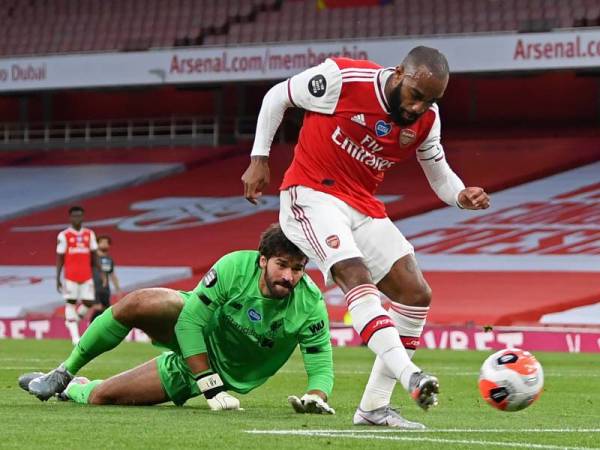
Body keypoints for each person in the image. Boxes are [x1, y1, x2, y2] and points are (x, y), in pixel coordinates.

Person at [242, 46, 490, 428]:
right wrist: (260, 158)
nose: (419, 108)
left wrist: (459, 195)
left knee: (415, 293)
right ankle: (411, 376)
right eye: (415, 95)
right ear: (399, 73)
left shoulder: (427, 120)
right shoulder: (343, 79)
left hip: (361, 205)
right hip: (310, 194)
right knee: (353, 273)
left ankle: (374, 407)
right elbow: (277, 96)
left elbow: (439, 173)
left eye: (430, 101)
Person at [20, 224, 335, 414]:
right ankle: (63, 372)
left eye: (298, 269)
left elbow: (320, 360)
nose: (289, 276)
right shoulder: (235, 267)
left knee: (102, 398)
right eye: (282, 265)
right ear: (262, 260)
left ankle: (72, 388)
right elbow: (189, 322)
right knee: (139, 302)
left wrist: (316, 396)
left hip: (208, 368)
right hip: (198, 329)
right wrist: (210, 388)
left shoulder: (309, 303)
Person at [56, 206, 102, 345]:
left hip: (86, 275)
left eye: (79, 215)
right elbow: (60, 258)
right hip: (70, 276)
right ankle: (75, 338)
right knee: (71, 302)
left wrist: (101, 272)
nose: (77, 218)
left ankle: (71, 322)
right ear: (70, 218)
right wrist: (58, 277)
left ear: (83, 217)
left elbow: (94, 255)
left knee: (89, 303)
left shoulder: (89, 234)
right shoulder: (64, 235)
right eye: (74, 216)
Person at [90, 235, 121, 322]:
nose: (104, 244)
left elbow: (112, 275)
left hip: (105, 289)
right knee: (98, 308)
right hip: (94, 288)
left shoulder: (109, 260)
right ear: (97, 244)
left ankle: (98, 331)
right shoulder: (93, 258)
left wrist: (118, 289)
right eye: (102, 242)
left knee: (106, 311)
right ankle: (88, 327)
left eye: (106, 242)